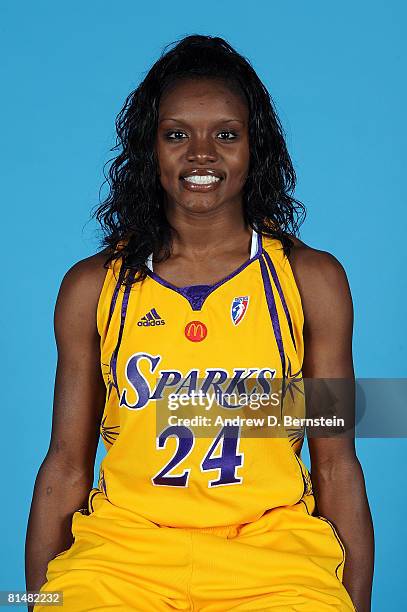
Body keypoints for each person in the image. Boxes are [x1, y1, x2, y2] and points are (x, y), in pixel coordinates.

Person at [26, 35, 374, 611]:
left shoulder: (311, 281)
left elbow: (335, 461)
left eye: (227, 135)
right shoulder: (93, 288)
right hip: (123, 555)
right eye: (177, 134)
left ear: (254, 147)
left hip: (273, 558)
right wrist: (36, 599)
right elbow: (66, 461)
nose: (202, 155)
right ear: (150, 148)